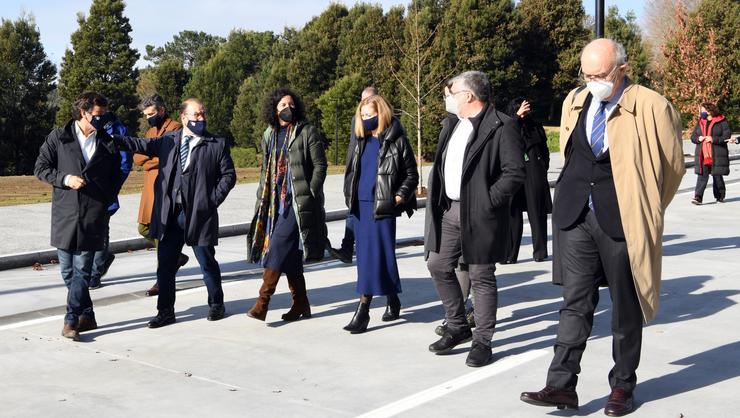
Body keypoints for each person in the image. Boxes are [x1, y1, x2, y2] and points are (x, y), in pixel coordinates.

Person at [520, 39, 685, 417]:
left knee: (625, 308)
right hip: (576, 215)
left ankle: (622, 386)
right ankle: (561, 385)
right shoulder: (576, 100)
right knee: (574, 304)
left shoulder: (652, 106)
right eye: (587, 74)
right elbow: (571, 149)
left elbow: (673, 167)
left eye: (600, 74)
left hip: (623, 219)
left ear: (622, 69)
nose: (592, 81)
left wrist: (646, 208)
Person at [425, 71, 525, 367]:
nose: (448, 98)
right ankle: (457, 325)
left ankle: (483, 341)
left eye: (452, 93)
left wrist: (487, 202)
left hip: (481, 214)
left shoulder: (502, 126)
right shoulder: (452, 124)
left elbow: (515, 173)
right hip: (450, 210)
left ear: (468, 96)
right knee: (438, 264)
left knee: (481, 277)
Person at [112, 98, 236, 328]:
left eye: (202, 114)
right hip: (170, 214)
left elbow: (229, 175)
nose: (201, 118)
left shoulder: (216, 143)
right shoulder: (168, 141)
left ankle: (216, 304)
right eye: (196, 115)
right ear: (183, 118)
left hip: (199, 215)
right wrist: (113, 140)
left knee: (206, 262)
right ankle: (165, 311)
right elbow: (140, 145)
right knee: (166, 265)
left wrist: (211, 201)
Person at [34, 92, 122, 341]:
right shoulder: (58, 137)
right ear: (84, 112)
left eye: (103, 114)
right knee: (67, 272)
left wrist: (105, 197)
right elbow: (40, 168)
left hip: (93, 213)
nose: (102, 118)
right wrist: (65, 179)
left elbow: (117, 173)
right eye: (98, 114)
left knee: (82, 270)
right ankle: (88, 314)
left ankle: (71, 320)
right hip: (65, 212)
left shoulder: (107, 141)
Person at [246, 88, 328, 322]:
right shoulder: (269, 135)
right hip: (274, 201)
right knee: (290, 255)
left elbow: (320, 165)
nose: (287, 108)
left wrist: (310, 191)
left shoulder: (307, 132)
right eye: (282, 105)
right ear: (274, 109)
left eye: (291, 104)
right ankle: (301, 304)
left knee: (277, 247)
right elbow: (265, 169)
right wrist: (261, 196)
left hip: (297, 201)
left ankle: (263, 302)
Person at [341, 94, 418, 333]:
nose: (366, 119)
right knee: (368, 258)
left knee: (377, 256)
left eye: (370, 115)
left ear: (381, 113)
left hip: (383, 206)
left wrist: (398, 197)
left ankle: (363, 311)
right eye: (362, 115)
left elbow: (411, 175)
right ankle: (393, 298)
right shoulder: (359, 140)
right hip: (360, 207)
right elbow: (350, 170)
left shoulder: (397, 140)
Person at [136, 94, 188, 297]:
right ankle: (175, 257)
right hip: (150, 188)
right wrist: (152, 157)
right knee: (143, 227)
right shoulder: (150, 131)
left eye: (152, 113)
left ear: (162, 110)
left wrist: (151, 158)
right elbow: (138, 156)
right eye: (146, 114)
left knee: (163, 233)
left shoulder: (175, 128)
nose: (149, 117)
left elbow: (170, 155)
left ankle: (163, 277)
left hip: (165, 187)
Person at [329, 85, 378, 264]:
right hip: (358, 177)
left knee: (356, 214)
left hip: (374, 184)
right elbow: (353, 148)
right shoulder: (356, 120)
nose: (364, 105)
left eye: (369, 100)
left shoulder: (388, 123)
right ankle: (347, 248)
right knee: (352, 212)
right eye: (362, 100)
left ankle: (351, 248)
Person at [503, 97, 552, 264]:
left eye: (528, 109)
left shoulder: (535, 127)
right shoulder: (509, 125)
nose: (526, 112)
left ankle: (540, 252)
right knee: (512, 214)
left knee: (537, 214)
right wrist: (517, 117)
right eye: (523, 109)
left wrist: (542, 167)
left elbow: (544, 150)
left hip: (534, 172)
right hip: (513, 173)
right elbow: (507, 135)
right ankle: (510, 254)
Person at [89, 111, 133, 289]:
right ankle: (101, 259)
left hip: (105, 189)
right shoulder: (86, 125)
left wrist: (112, 187)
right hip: (85, 188)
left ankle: (95, 272)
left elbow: (125, 163)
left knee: (101, 230)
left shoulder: (117, 129)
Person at [690, 102, 731, 205]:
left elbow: (727, 136)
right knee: (702, 176)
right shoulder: (700, 122)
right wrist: (698, 139)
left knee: (717, 176)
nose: (701, 112)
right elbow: (693, 137)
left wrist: (713, 139)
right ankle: (698, 197)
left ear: (709, 111)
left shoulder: (721, 121)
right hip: (702, 154)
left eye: (703, 110)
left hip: (716, 153)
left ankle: (720, 195)